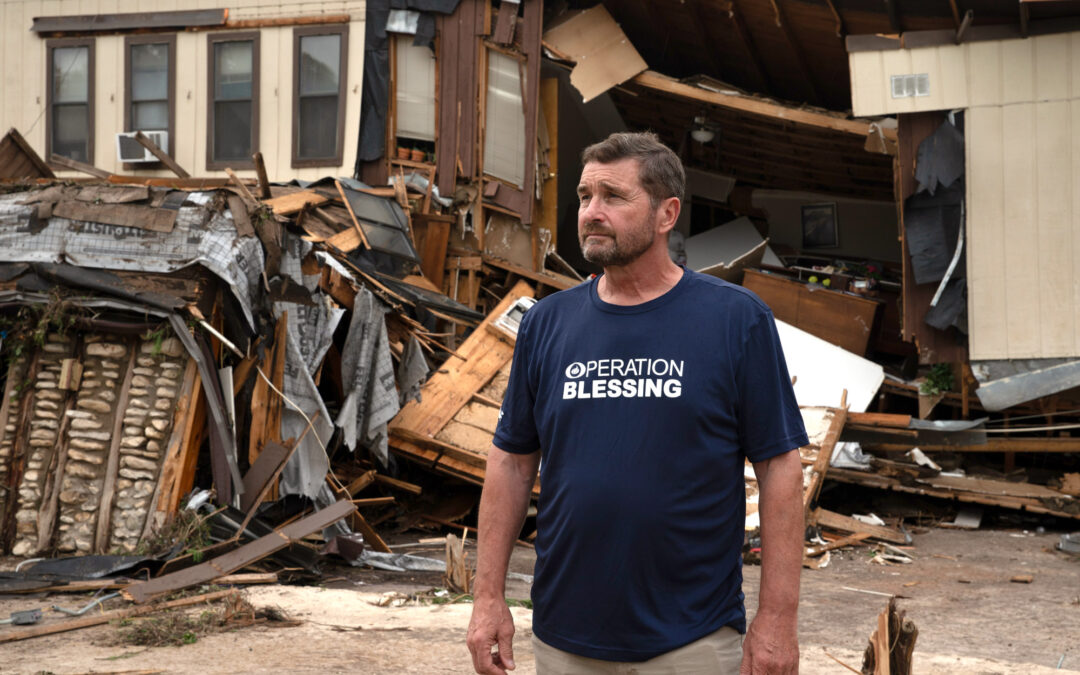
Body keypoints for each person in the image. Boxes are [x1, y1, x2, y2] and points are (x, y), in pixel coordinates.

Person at [466, 132, 808, 674]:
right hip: (564, 637)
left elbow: (780, 467)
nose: (592, 212)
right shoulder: (547, 324)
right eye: (584, 197)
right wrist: (487, 599)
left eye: (613, 197)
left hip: (691, 638)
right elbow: (510, 461)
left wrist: (777, 620)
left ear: (667, 213)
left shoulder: (735, 320)